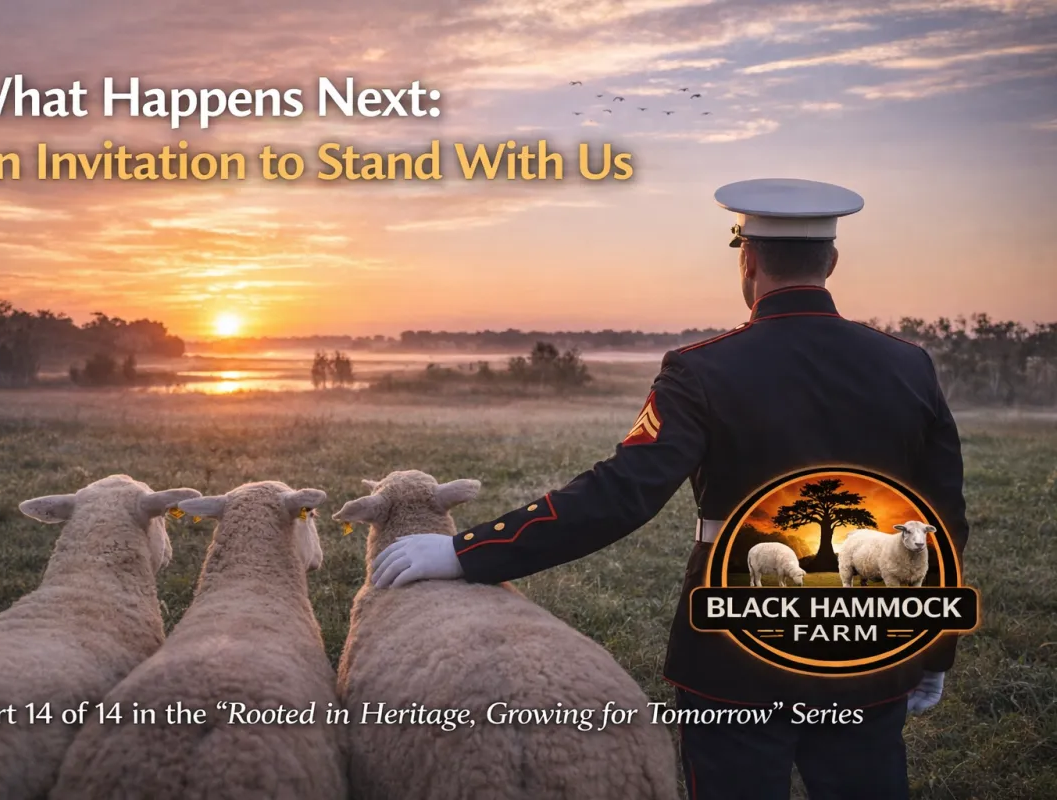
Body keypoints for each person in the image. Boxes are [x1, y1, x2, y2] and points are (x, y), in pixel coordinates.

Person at [370, 178, 969, 800]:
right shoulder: (908, 364)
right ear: (833, 262)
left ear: (749, 258)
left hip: (736, 650)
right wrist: (936, 647)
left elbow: (623, 492)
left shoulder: (702, 369)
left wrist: (468, 551)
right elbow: (944, 520)